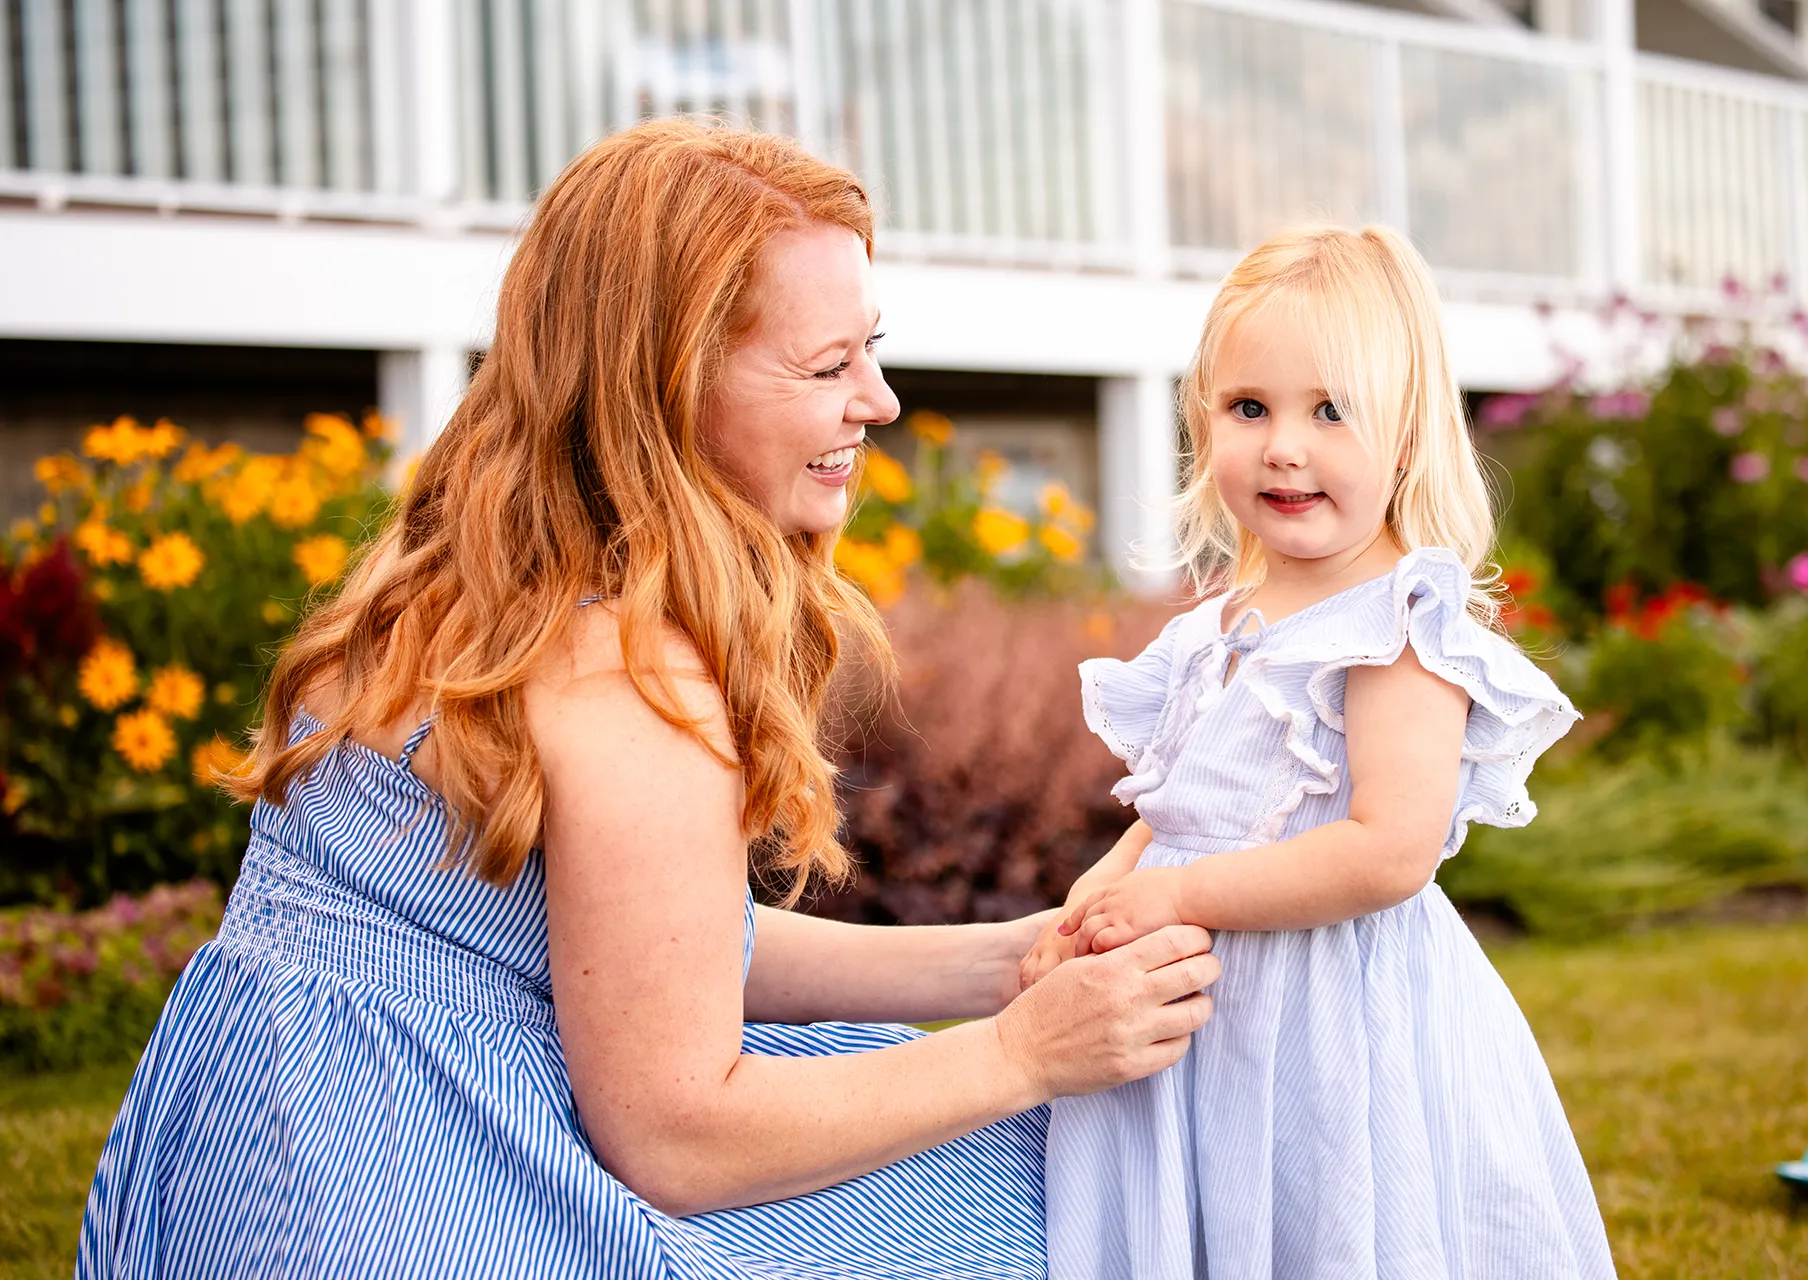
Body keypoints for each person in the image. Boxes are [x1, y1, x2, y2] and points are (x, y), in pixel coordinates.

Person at [76, 120, 1222, 1279]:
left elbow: (643, 949)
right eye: (827, 366)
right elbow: (679, 1131)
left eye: (869, 349)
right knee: (1051, 1215)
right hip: (400, 1189)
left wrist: (1001, 960)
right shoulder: (627, 668)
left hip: (247, 1143)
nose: (877, 401)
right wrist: (1022, 1054)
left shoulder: (469, 585)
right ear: (667, 383)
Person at [1023, 225, 1617, 1279]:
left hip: (1327, 1022)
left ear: (1404, 437)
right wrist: (1097, 898)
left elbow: (1389, 848)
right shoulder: (1223, 625)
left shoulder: (1395, 624)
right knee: (1214, 1221)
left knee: (1319, 1222)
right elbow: (1180, 806)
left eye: (1329, 410)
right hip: (1199, 1016)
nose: (1283, 446)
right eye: (1249, 408)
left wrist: (1176, 897)